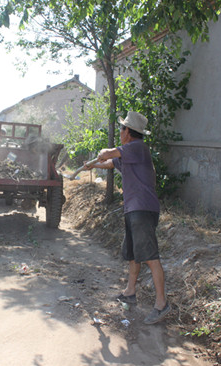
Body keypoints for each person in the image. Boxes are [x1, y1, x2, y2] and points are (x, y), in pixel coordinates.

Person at [85, 111, 170, 325]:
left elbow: (109, 154)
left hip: (142, 209)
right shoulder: (130, 154)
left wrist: (103, 153)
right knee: (133, 255)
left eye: (122, 128)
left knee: (150, 256)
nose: (120, 132)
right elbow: (111, 163)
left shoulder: (137, 148)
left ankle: (162, 304)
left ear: (128, 133)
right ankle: (130, 292)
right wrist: (94, 164)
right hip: (134, 209)